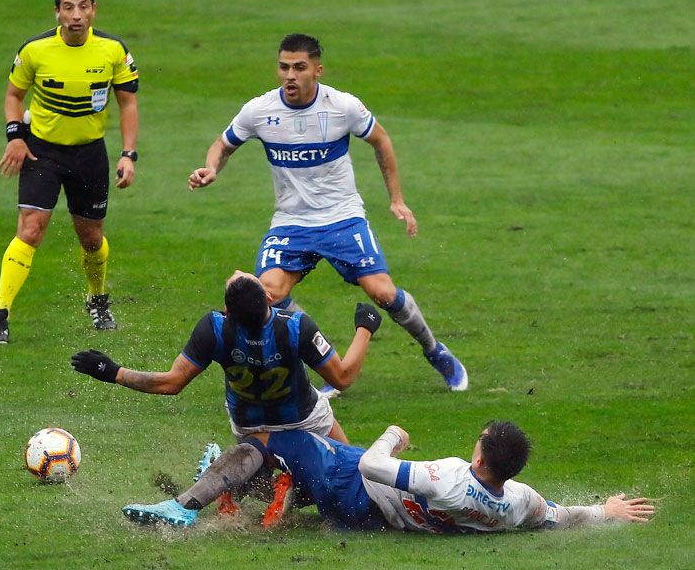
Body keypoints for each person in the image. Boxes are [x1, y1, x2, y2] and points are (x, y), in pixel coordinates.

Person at [188, 33, 467, 396]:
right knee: (267, 294)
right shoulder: (260, 110)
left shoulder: (342, 106)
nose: (290, 75)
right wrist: (211, 168)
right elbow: (223, 144)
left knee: (382, 292)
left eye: (299, 67)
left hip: (342, 217)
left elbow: (380, 139)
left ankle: (435, 350)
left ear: (317, 70)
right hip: (290, 222)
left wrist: (396, 200)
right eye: (284, 66)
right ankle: (328, 361)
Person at [71, 270, 383, 524]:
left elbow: (171, 383)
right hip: (305, 419)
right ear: (268, 302)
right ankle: (244, 479)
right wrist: (364, 328)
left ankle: (231, 476)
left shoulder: (216, 328)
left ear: (228, 311)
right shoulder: (294, 326)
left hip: (250, 427)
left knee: (303, 484)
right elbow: (342, 376)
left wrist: (113, 372)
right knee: (347, 485)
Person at [122, 421, 655, 531]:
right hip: (379, 518)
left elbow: (371, 464)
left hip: (357, 488)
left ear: (481, 460)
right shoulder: (517, 504)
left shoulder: (447, 476)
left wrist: (393, 437)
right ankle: (235, 483)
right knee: (303, 462)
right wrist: (604, 512)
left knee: (269, 438)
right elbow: (559, 516)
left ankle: (187, 506)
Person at [0, 0, 139, 343]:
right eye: (68, 7)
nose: (76, 15)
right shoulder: (36, 50)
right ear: (57, 12)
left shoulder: (113, 51)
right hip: (43, 152)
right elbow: (13, 95)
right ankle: (0, 316)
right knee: (31, 229)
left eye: (83, 6)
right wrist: (16, 137)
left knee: (91, 238)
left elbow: (128, 103)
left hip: (90, 155)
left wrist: (128, 154)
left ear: (93, 10)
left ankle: (97, 299)